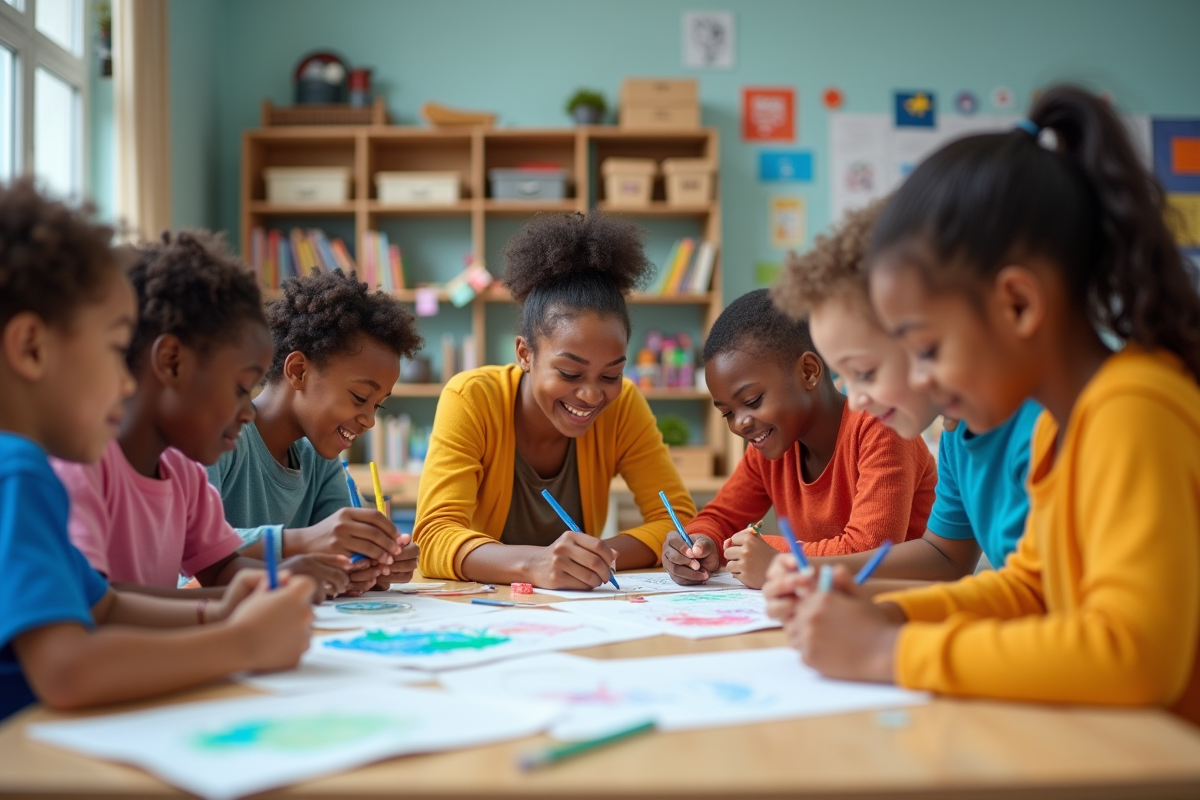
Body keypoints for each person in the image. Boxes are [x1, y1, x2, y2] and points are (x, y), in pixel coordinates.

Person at [765, 86, 1200, 725]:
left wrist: (891, 650)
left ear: (1018, 305)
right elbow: (1031, 586)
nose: (923, 381)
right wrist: (883, 613)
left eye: (929, 349)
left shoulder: (1132, 410)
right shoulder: (1063, 424)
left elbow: (1131, 653)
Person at [0, 179, 312, 721]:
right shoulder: (19, 472)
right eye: (117, 349)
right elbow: (68, 670)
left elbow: (106, 605)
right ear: (30, 348)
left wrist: (218, 612)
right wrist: (242, 645)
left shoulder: (29, 473)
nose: (126, 382)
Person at [53, 233, 351, 599]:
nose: (247, 413)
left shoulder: (184, 475)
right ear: (172, 362)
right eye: (240, 389)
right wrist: (229, 619)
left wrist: (282, 578)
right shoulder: (83, 470)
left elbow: (223, 567)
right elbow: (102, 610)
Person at [414, 212, 694, 589]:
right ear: (525, 354)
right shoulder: (473, 398)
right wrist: (534, 564)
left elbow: (677, 522)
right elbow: (433, 537)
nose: (593, 394)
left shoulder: (624, 404)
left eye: (611, 375)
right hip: (482, 610)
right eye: (570, 373)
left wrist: (595, 557)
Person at [774, 200, 1040, 582]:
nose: (856, 398)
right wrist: (818, 577)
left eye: (864, 371)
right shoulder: (956, 431)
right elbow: (944, 554)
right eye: (844, 376)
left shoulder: (1042, 423)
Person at [663, 289, 937, 588]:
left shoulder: (881, 427)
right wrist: (700, 545)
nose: (740, 423)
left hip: (905, 612)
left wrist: (775, 559)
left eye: (753, 400)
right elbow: (720, 517)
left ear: (809, 372)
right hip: (834, 610)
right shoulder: (771, 447)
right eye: (726, 413)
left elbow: (869, 552)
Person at [208, 269, 422, 592]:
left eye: (377, 405)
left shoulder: (318, 457)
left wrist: (372, 563)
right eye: (360, 398)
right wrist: (302, 541)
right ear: (298, 371)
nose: (369, 420)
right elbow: (189, 550)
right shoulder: (218, 436)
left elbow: (339, 553)